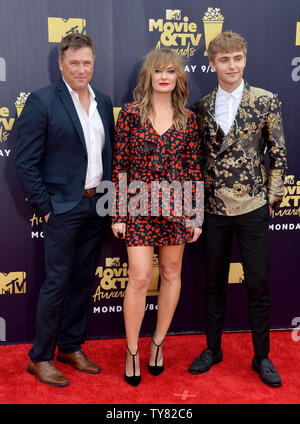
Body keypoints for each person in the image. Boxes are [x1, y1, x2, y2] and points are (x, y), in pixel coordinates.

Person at [15, 34, 114, 387]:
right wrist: (45, 206)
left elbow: (108, 157)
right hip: (61, 208)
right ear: (61, 64)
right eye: (74, 63)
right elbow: (25, 162)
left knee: (82, 280)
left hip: (95, 206)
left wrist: (109, 202)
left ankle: (71, 346)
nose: (81, 69)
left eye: (87, 62)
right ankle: (39, 357)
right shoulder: (42, 102)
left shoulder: (103, 102)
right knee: (56, 283)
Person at [189, 31, 287, 387]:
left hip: (252, 208)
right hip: (213, 210)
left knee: (258, 283)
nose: (232, 65)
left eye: (237, 59)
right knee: (213, 283)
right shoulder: (200, 107)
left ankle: (262, 356)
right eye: (224, 59)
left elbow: (278, 155)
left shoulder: (266, 101)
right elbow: (196, 161)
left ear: (245, 60)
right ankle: (213, 349)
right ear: (212, 63)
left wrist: (270, 201)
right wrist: (196, 206)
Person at [111, 48, 203, 386]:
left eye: (170, 71)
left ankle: (158, 343)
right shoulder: (131, 115)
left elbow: (194, 169)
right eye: (158, 71)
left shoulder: (188, 119)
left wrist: (195, 215)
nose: (164, 76)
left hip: (177, 208)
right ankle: (132, 349)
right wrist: (118, 211)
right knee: (138, 276)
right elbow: (119, 164)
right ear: (148, 75)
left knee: (171, 273)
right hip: (137, 206)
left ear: (178, 77)